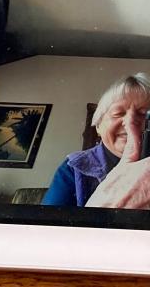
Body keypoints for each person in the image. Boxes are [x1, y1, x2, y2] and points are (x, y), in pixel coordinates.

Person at [42, 73, 150, 208]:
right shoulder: (73, 169)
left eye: (143, 114)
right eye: (118, 113)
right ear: (98, 126)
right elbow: (49, 226)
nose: (131, 121)